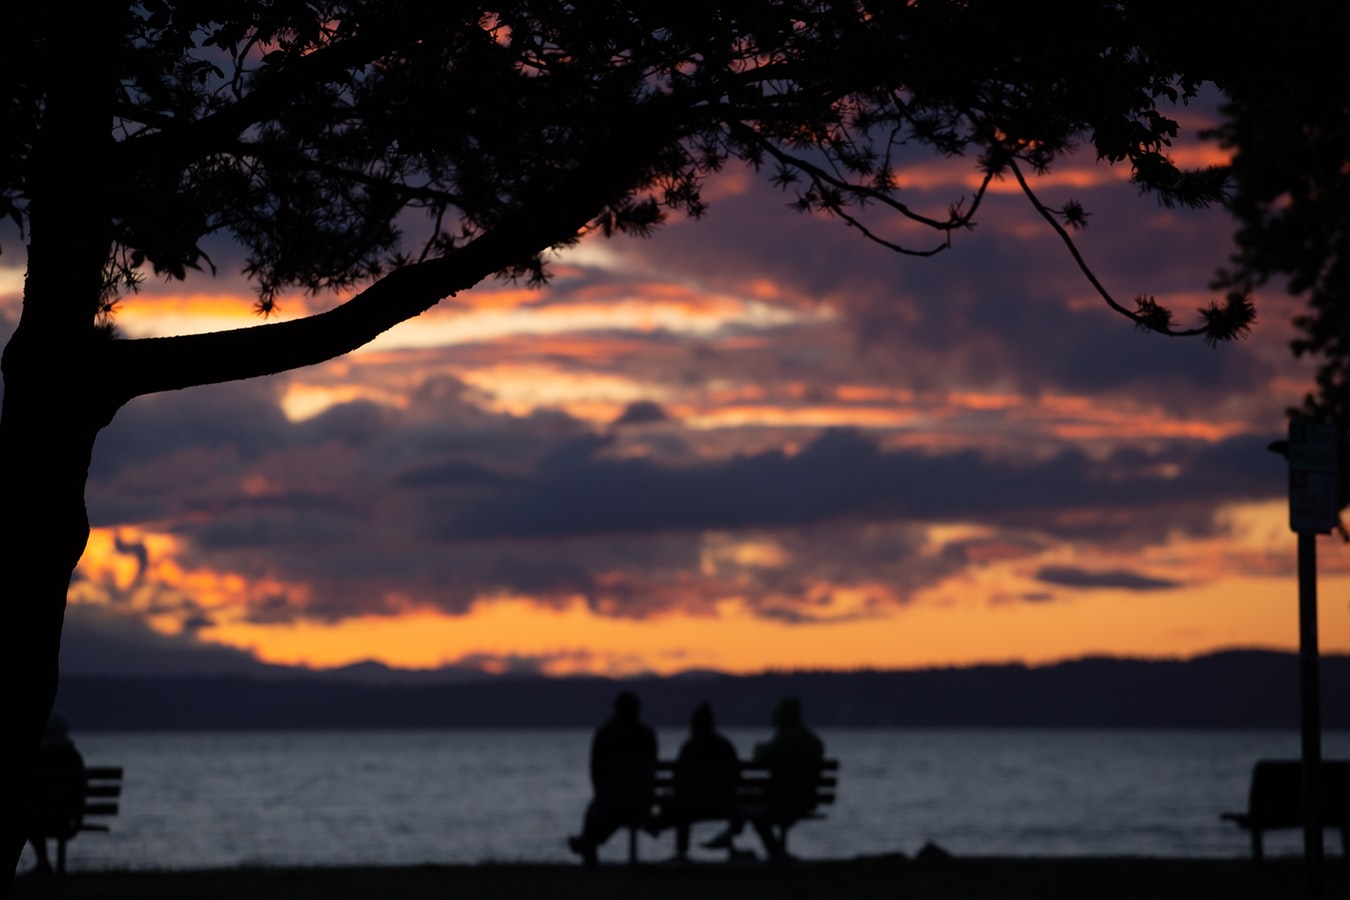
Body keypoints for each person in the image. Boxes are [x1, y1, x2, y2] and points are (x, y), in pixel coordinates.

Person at [704, 696, 824, 861]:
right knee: (752, 799)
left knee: (750, 800)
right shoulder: (812, 741)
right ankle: (772, 850)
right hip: (806, 800)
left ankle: (737, 834)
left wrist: (760, 748)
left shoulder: (786, 739)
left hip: (781, 800)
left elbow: (761, 757)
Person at [567, 690, 658, 866]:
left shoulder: (605, 734)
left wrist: (602, 794)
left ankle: (586, 846)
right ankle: (586, 843)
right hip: (641, 803)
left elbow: (595, 771)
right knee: (611, 813)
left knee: (599, 814)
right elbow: (651, 771)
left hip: (612, 802)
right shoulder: (647, 734)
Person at [652, 701, 740, 860]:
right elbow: (736, 779)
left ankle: (678, 848)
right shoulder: (725, 746)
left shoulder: (690, 747)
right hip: (724, 804)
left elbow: (678, 781)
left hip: (690, 805)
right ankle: (656, 826)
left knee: (679, 803)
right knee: (681, 802)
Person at [26, 708, 86, 876]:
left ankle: (43, 862)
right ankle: (50, 866)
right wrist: (79, 817)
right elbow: (81, 791)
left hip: (40, 819)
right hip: (67, 821)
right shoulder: (74, 757)